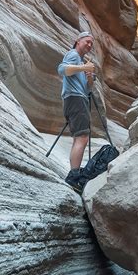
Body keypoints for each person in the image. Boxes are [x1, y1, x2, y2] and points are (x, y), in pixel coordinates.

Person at [57, 31, 95, 191]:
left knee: (79, 137)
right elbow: (62, 70)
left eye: (91, 43)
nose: (89, 45)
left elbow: (87, 88)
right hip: (75, 99)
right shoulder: (73, 54)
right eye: (87, 41)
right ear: (77, 41)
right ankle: (74, 176)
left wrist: (89, 77)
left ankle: (74, 173)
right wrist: (83, 67)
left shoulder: (79, 61)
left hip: (77, 98)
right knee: (82, 137)